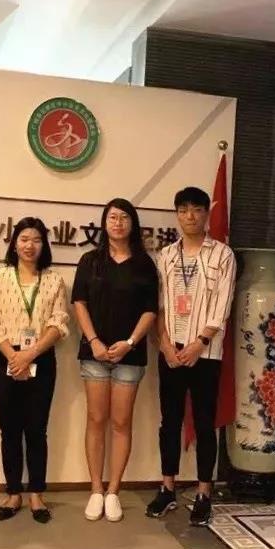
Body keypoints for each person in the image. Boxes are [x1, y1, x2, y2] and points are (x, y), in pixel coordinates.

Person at [145, 187, 236, 526]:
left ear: (206, 214)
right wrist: (166, 344)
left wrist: (199, 343)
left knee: (204, 423)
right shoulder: (166, 255)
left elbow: (222, 305)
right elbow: (159, 305)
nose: (190, 216)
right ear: (177, 215)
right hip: (171, 351)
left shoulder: (222, 254)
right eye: (183, 210)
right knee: (169, 421)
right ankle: (167, 488)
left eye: (197, 209)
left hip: (205, 353)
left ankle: (203, 493)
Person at [72, 198, 158, 522]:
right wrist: (94, 341)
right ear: (104, 223)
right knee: (96, 419)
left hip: (129, 354)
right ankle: (96, 489)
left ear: (133, 223)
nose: (118, 223)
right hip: (94, 353)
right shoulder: (90, 260)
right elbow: (79, 302)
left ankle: (113, 492)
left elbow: (150, 310)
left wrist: (130, 342)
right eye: (112, 218)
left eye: (124, 217)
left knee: (121, 422)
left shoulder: (144, 264)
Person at [0, 218, 69, 523]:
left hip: (41, 358)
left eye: (36, 239)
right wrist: (14, 357)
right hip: (4, 357)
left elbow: (59, 322)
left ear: (44, 244)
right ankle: (12, 493)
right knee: (9, 429)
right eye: (23, 239)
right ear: (14, 243)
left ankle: (36, 494)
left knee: (36, 429)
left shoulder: (54, 280)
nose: (29, 245)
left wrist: (30, 354)